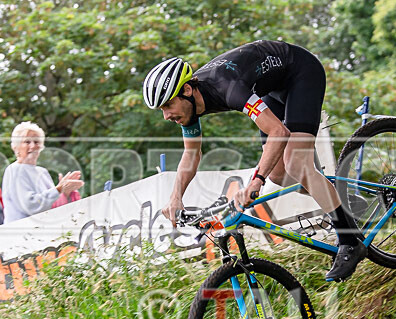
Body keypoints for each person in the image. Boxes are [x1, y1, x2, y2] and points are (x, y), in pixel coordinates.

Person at [144, 40, 366, 281]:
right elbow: (191, 154)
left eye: (168, 105)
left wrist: (254, 182)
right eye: (161, 110)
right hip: (273, 89)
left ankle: (350, 241)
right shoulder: (189, 106)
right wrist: (176, 197)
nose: (166, 115)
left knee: (296, 163)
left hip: (301, 72)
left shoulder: (226, 87)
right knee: (279, 174)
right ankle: (340, 202)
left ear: (187, 90)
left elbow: (278, 132)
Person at [2, 121, 83, 223]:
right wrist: (59, 189)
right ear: (16, 147)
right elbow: (30, 206)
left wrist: (66, 192)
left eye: (36, 142)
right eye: (27, 142)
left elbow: (52, 206)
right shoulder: (15, 170)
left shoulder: (42, 172)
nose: (33, 146)